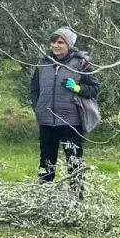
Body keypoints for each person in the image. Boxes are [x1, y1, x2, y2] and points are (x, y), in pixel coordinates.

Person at [29, 27, 100, 184]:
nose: (55, 45)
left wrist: (77, 88)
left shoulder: (81, 63)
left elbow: (95, 90)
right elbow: (34, 89)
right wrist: (38, 107)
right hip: (47, 121)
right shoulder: (43, 63)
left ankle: (76, 199)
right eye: (53, 42)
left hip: (71, 122)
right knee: (46, 162)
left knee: (74, 162)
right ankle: (44, 196)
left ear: (69, 44)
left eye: (60, 42)